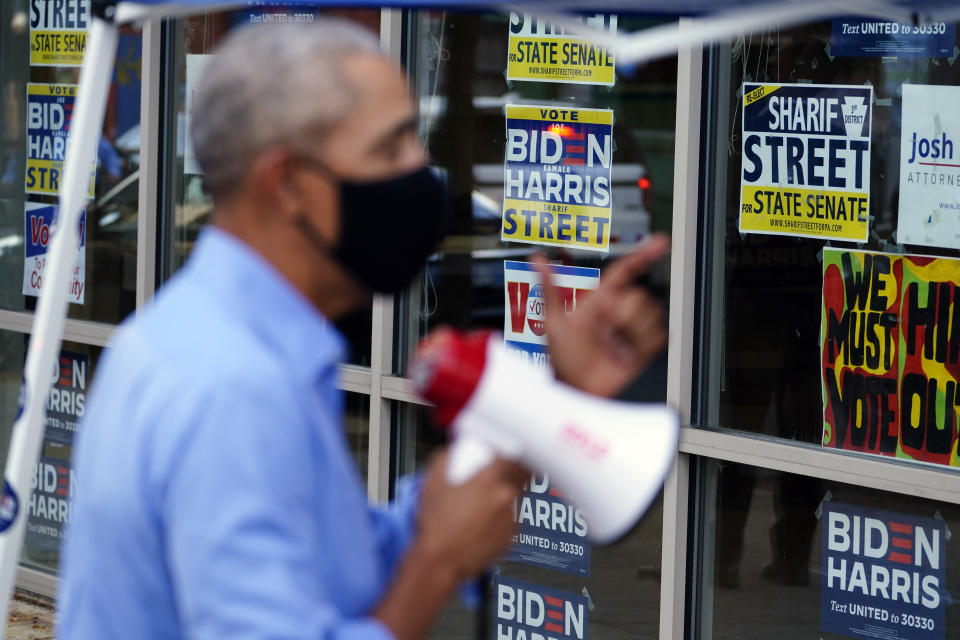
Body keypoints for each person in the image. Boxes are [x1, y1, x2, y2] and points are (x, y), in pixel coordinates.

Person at [58, 19, 669, 639]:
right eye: (391, 148)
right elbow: (410, 560)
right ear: (288, 183)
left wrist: (548, 403)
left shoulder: (202, 342)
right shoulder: (233, 388)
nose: (421, 170)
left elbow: (361, 558)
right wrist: (437, 564)